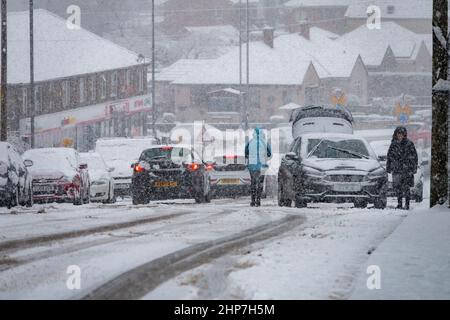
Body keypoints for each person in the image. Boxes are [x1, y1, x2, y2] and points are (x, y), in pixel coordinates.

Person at [386, 126, 418, 210]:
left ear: (404, 135)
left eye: (401, 134)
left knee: (406, 188)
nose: (400, 136)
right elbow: (389, 156)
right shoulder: (393, 144)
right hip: (396, 169)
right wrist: (388, 167)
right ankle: (399, 204)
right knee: (398, 188)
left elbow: (414, 156)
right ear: (396, 134)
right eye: (398, 134)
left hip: (407, 170)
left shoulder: (409, 143)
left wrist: (414, 168)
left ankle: (407, 204)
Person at [245, 127, 272, 207]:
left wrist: (250, 157)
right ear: (262, 134)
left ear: (253, 134)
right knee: (260, 183)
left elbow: (246, 153)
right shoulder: (264, 142)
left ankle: (252, 201)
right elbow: (269, 154)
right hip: (262, 166)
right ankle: (258, 200)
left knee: (253, 182)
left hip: (252, 166)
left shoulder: (250, 142)